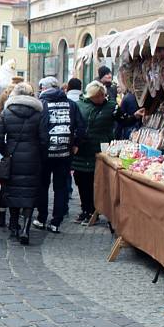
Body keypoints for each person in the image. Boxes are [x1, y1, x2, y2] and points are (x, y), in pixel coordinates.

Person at [0, 83, 47, 245]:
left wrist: (6, 153)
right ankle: (26, 229)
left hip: (13, 157)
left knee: (13, 191)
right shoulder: (39, 114)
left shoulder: (6, 113)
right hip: (32, 158)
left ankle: (14, 226)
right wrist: (39, 154)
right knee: (29, 194)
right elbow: (45, 140)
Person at [34, 77, 85, 234]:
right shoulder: (71, 104)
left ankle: (42, 218)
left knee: (42, 186)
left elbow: (38, 129)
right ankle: (56, 221)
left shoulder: (42, 105)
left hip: (45, 153)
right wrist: (75, 144)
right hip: (64, 153)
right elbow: (82, 127)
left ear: (45, 89)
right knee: (61, 187)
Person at [71, 80, 116, 225]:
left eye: (102, 96)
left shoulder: (111, 106)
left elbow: (123, 119)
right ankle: (85, 209)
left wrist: (134, 116)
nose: (100, 99)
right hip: (82, 149)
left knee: (94, 182)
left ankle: (93, 211)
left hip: (99, 150)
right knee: (81, 180)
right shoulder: (80, 105)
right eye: (97, 96)